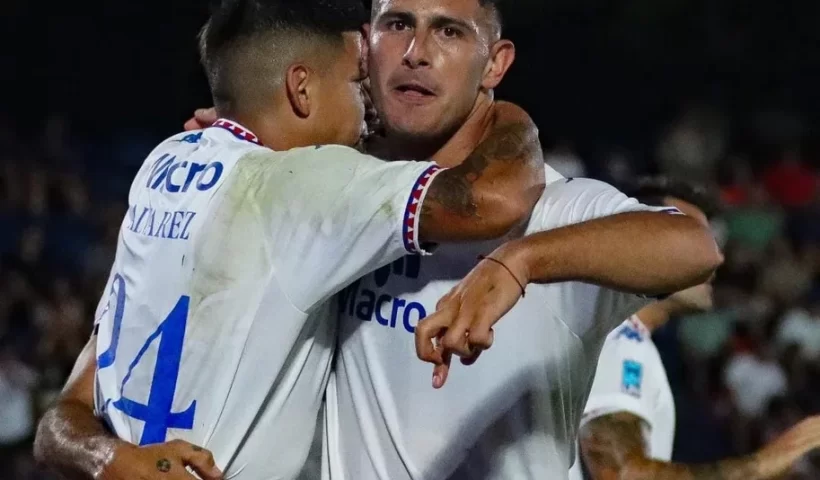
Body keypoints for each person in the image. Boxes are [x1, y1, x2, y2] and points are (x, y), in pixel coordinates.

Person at [36, 1, 721, 480]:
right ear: (367, 48)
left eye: (449, 32)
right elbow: (84, 393)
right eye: (398, 24)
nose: (417, 52)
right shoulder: (324, 198)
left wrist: (520, 262)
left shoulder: (554, 208)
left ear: (494, 63)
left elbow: (694, 247)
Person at [562, 177, 820, 480]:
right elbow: (623, 473)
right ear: (641, 243)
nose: (716, 258)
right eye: (696, 238)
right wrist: (766, 463)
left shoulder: (621, 336)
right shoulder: (618, 342)